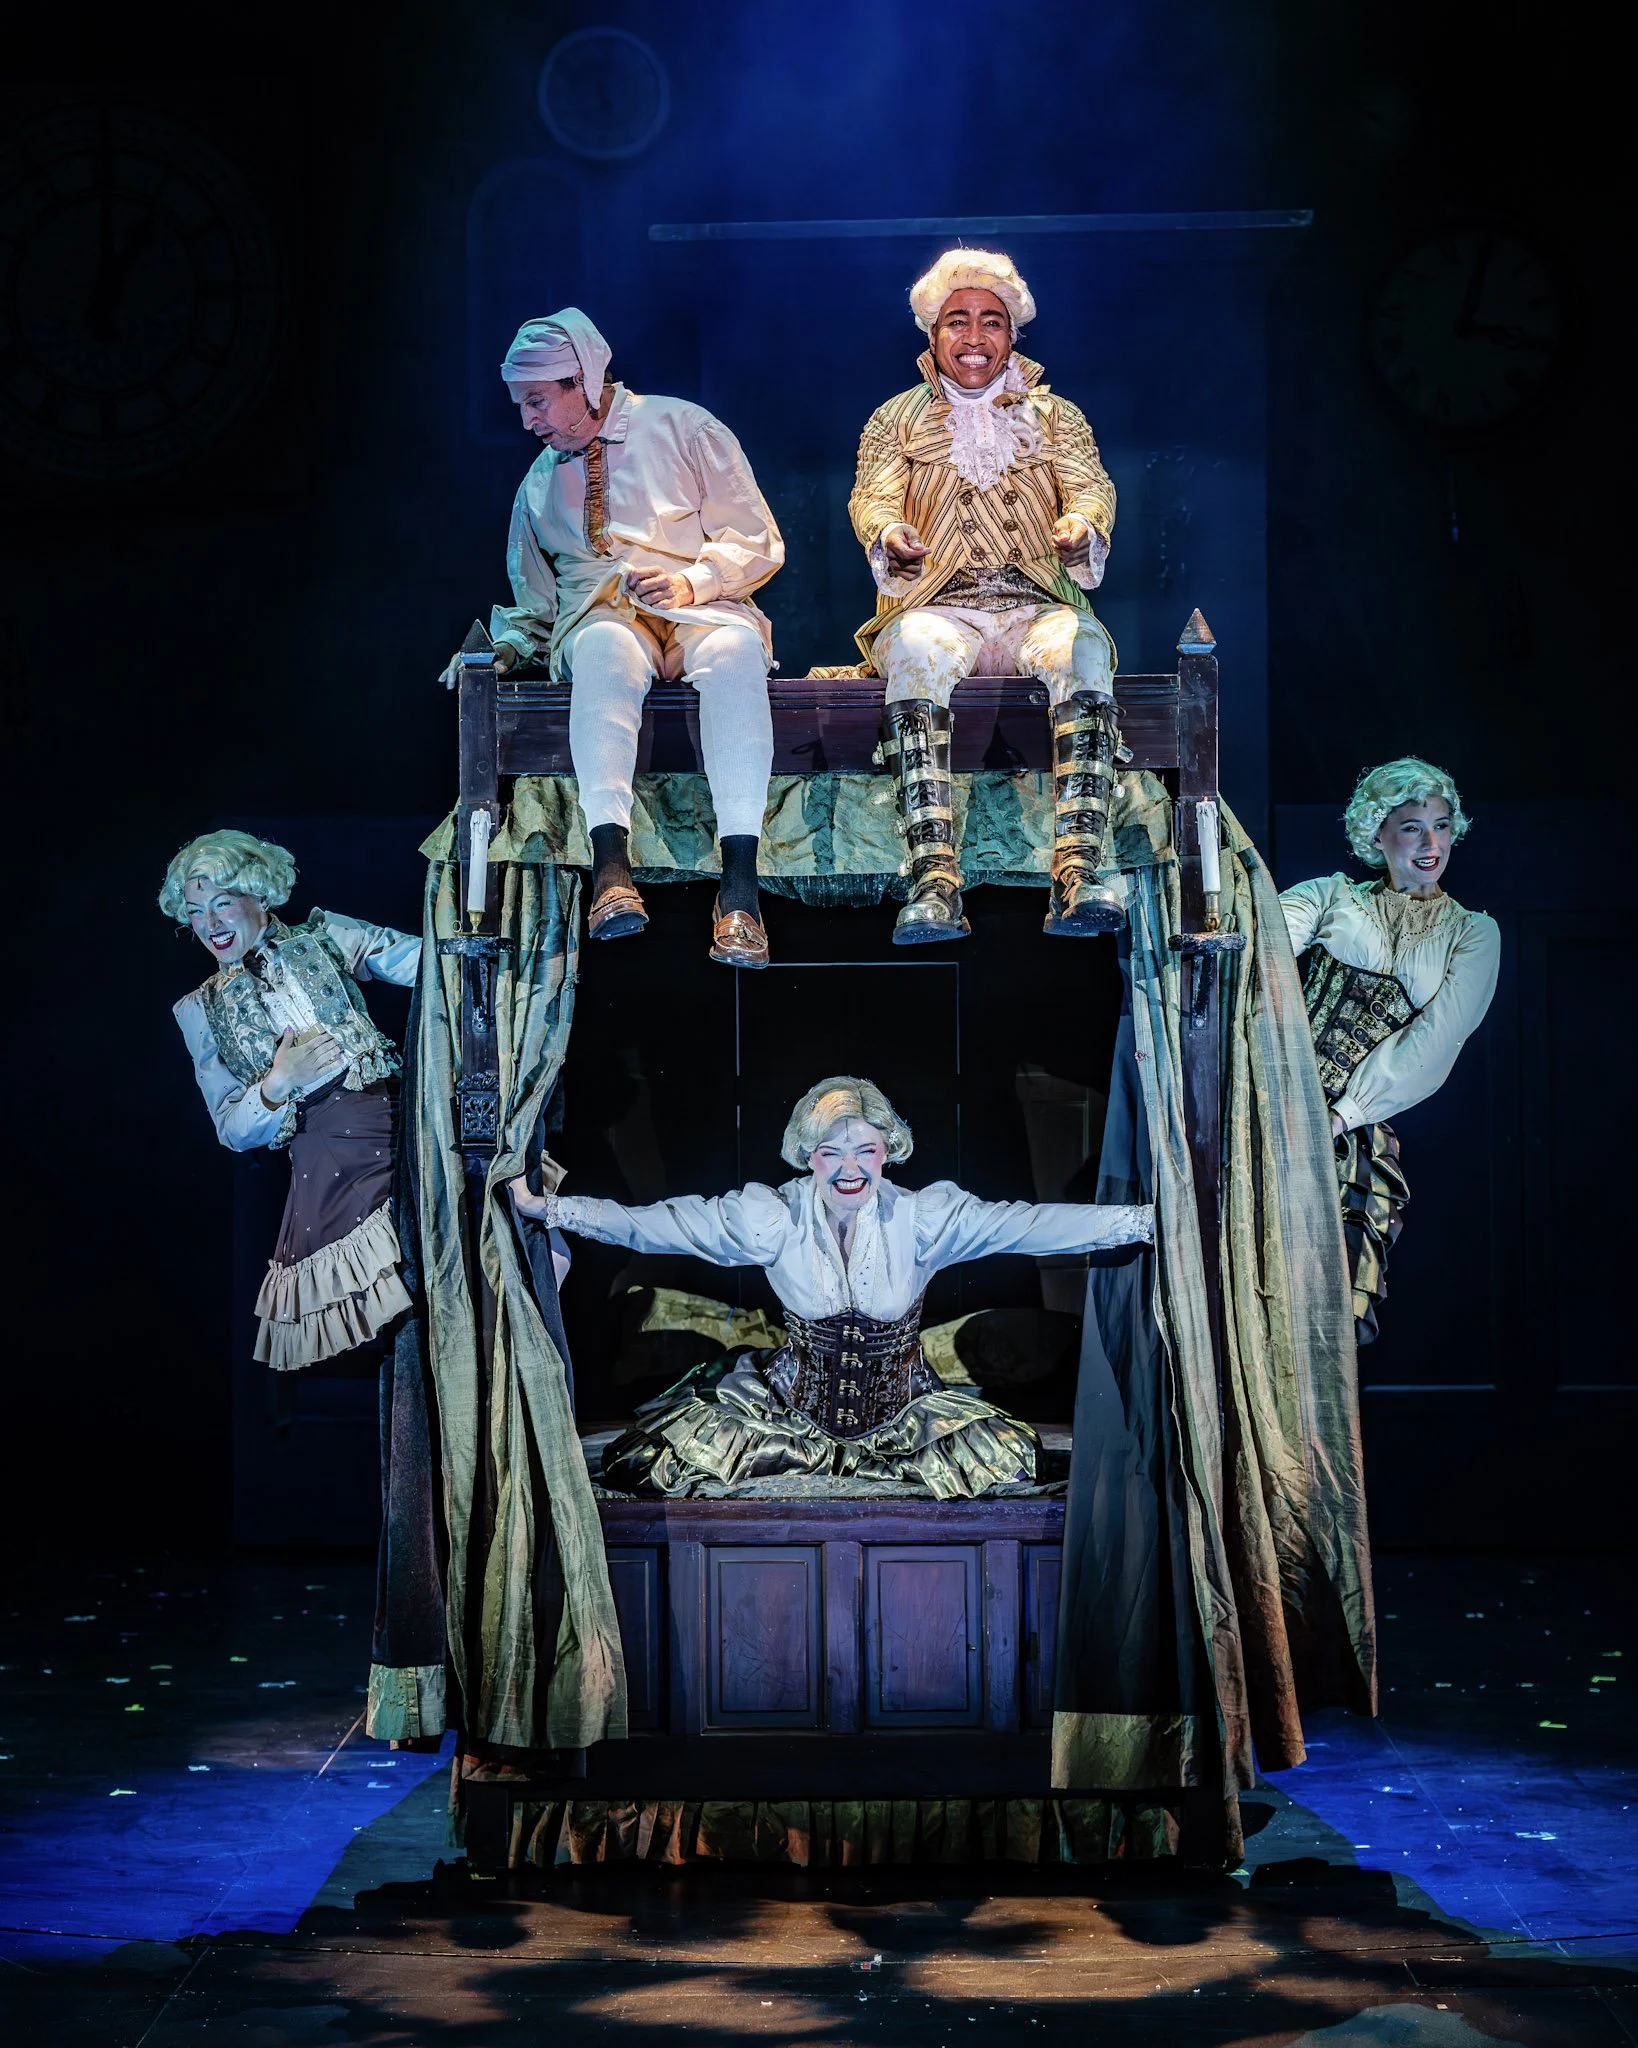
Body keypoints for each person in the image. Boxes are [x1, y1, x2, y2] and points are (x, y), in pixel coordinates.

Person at [510, 1075, 1153, 1498]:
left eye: (864, 1151)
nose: (849, 1169)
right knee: (667, 1459)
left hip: (904, 1415)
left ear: (887, 1151)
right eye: (831, 1153)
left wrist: (1145, 1222)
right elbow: (659, 1225)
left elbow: (1029, 1225)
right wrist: (553, 1211)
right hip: (787, 1415)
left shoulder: (923, 1220)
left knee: (1004, 1460)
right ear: (807, 1156)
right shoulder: (772, 1217)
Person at [453, 307, 785, 969]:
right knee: (605, 650)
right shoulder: (540, 484)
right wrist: (505, 648)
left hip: (702, 608)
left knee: (736, 653)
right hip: (602, 619)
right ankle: (611, 870)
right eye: (520, 405)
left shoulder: (682, 427)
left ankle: (740, 889)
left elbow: (755, 539)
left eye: (537, 400)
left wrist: (692, 581)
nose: (528, 420)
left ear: (582, 381)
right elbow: (536, 603)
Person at [847, 249, 1122, 943]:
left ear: (1011, 333)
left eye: (990, 322)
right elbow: (872, 497)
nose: (974, 337)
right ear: (933, 333)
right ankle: (934, 878)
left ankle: (1078, 870)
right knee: (914, 650)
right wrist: (889, 533)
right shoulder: (896, 419)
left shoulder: (1056, 416)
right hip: (939, 605)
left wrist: (1081, 525)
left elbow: (1090, 486)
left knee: (1083, 648)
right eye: (958, 321)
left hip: (1035, 603)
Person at [161, 830, 422, 1371]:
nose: (210, 924)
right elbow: (231, 1129)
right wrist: (277, 1083)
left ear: (259, 894)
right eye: (196, 912)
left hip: (404, 1126)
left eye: (222, 903)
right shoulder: (199, 1010)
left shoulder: (326, 936)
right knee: (402, 1314)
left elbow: (429, 966)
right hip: (330, 1161)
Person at [1280, 759, 1500, 1344]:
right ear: (1376, 834)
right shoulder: (1331, 895)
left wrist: (1338, 1116)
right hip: (1274, 1098)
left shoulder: (1473, 933)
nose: (1431, 844)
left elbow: (1434, 1044)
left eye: (1442, 826)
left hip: (1349, 1127)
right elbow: (1264, 941)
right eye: (1412, 828)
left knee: (1323, 1299)